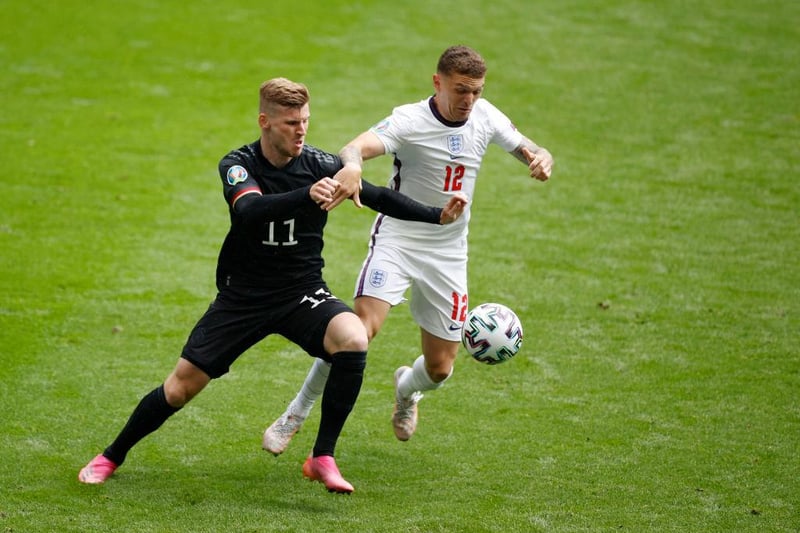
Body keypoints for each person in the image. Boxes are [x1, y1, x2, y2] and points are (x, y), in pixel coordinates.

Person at [78, 77, 467, 494]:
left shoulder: (320, 163)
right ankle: (111, 456)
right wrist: (307, 195)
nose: (301, 131)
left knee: (354, 337)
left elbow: (376, 196)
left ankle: (322, 457)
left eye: (305, 121)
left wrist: (435, 215)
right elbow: (248, 210)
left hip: (300, 291)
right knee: (179, 388)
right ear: (265, 121)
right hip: (244, 296)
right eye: (290, 123)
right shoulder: (238, 163)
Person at [263, 45, 553, 454]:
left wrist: (541, 159)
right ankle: (296, 412)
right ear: (438, 83)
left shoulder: (486, 117)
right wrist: (353, 166)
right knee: (355, 332)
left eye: (477, 91)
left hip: (448, 252)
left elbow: (533, 149)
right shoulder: (409, 120)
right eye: (461, 90)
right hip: (398, 239)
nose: (469, 100)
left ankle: (406, 391)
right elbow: (354, 147)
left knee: (439, 368)